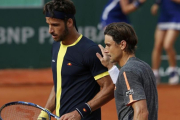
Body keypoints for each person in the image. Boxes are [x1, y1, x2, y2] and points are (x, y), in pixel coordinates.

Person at [37, 0, 114, 120]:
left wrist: (80, 112)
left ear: (69, 22)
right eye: (49, 24)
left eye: (55, 25)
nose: (50, 30)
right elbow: (60, 84)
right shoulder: (56, 46)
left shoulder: (89, 50)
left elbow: (109, 88)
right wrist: (46, 111)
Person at [96, 22, 158, 120]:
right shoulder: (144, 66)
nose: (106, 50)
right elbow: (124, 87)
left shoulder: (128, 71)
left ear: (122, 45)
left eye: (108, 45)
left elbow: (141, 112)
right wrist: (110, 66)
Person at [151, 0, 180, 85]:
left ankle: (173, 72)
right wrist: (156, 4)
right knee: (157, 45)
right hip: (164, 15)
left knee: (167, 45)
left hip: (176, 15)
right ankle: (155, 74)